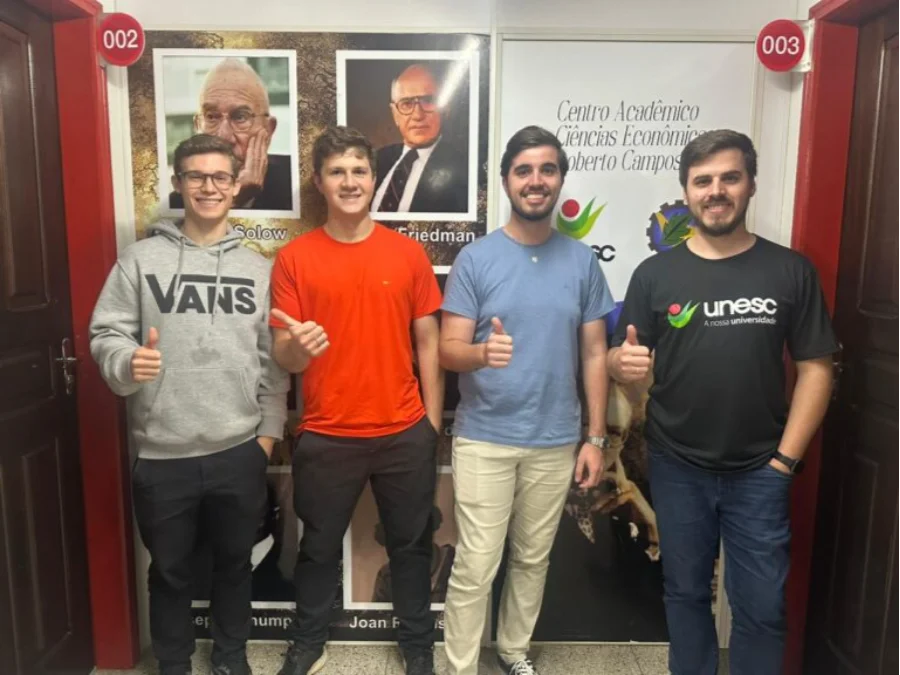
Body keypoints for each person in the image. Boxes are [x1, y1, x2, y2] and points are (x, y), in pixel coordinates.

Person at [608, 129, 839, 675]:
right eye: (702, 181)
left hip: (761, 468)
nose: (716, 190)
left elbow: (816, 369)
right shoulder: (655, 274)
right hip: (676, 464)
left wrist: (785, 461)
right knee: (685, 595)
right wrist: (621, 364)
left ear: (750, 185)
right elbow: (624, 358)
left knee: (761, 610)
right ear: (686, 193)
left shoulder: (790, 271)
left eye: (729, 178)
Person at [90, 133, 289, 675]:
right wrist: (127, 363)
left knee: (235, 567)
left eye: (220, 177)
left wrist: (265, 439)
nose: (208, 186)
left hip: (238, 450)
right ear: (178, 184)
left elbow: (273, 362)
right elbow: (105, 334)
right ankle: (173, 665)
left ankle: (231, 660)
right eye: (196, 176)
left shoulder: (258, 269)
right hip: (162, 455)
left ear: (236, 185)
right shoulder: (140, 260)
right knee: (171, 573)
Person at [439, 125, 615, 675]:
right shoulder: (476, 259)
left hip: (557, 439)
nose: (535, 181)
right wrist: (480, 355)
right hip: (485, 437)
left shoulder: (582, 262)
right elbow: (448, 349)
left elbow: (593, 353)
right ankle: (461, 665)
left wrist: (594, 437)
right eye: (524, 170)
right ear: (506, 182)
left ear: (560, 179)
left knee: (533, 558)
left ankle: (513, 650)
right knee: (476, 563)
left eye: (546, 169)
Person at [270, 126, 443, 675]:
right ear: (320, 183)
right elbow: (285, 357)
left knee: (412, 547)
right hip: (326, 434)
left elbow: (428, 343)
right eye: (338, 172)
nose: (350, 181)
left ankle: (417, 648)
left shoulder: (408, 253)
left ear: (374, 179)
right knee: (317, 549)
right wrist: (296, 348)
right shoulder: (294, 259)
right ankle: (308, 643)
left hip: (404, 432)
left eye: (359, 171)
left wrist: (430, 425)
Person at [170, 58, 293, 211]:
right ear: (197, 127)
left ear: (268, 130)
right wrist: (236, 201)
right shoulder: (177, 202)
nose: (223, 136)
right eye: (211, 117)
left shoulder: (297, 186)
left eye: (240, 117)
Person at [372, 63, 468, 214]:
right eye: (406, 103)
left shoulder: (465, 171)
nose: (417, 115)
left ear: (446, 108)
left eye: (428, 101)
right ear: (395, 114)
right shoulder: (376, 160)